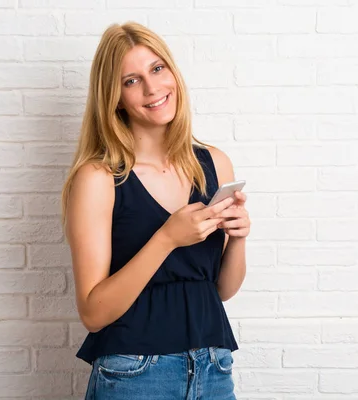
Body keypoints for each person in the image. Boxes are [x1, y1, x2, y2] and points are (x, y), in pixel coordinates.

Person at [60, 21, 251, 399]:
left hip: (213, 368)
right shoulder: (98, 178)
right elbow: (93, 312)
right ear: (114, 97)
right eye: (131, 80)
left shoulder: (214, 164)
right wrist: (165, 239)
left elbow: (221, 291)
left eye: (157, 69)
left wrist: (240, 237)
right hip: (135, 374)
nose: (152, 88)